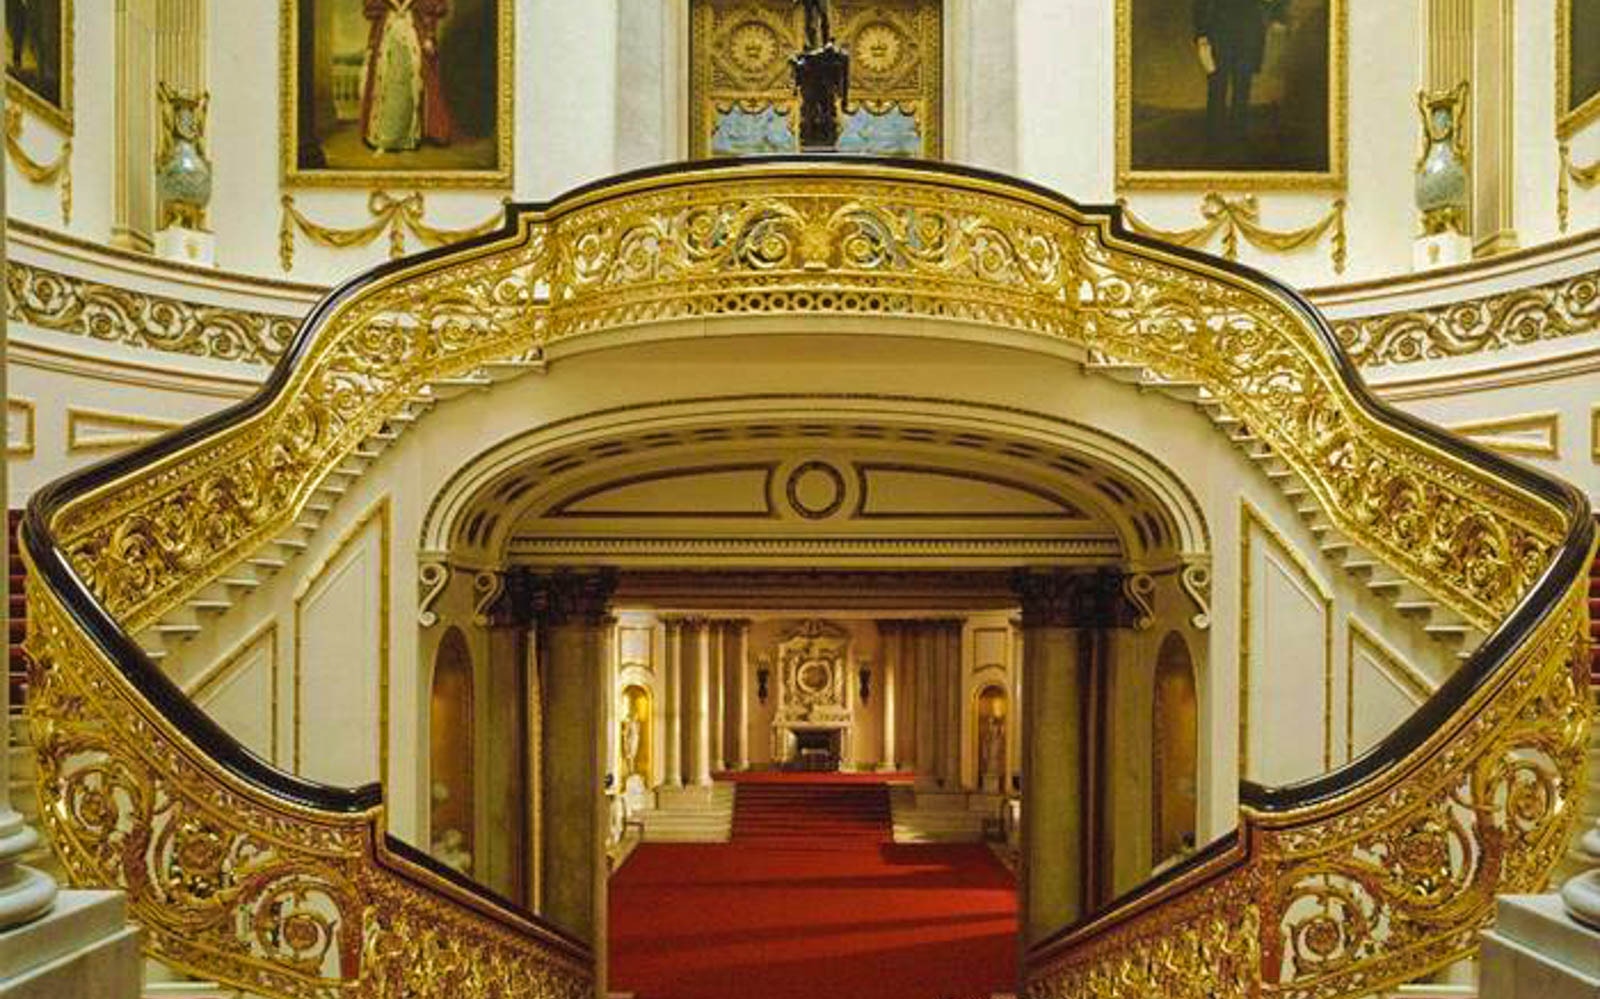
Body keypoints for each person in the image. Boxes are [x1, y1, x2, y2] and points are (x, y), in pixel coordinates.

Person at [361, 0, 455, 153]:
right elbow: (370, 8)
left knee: (411, 83)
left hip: (412, 30)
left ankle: (408, 136)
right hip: (388, 32)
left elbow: (437, 7)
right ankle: (386, 135)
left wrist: (428, 35)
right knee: (388, 82)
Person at [1193, 0, 1288, 147]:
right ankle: (1215, 134)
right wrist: (1201, 33)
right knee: (1218, 84)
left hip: (1248, 29)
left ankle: (1238, 134)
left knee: (1242, 84)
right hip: (1220, 29)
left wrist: (1278, 15)